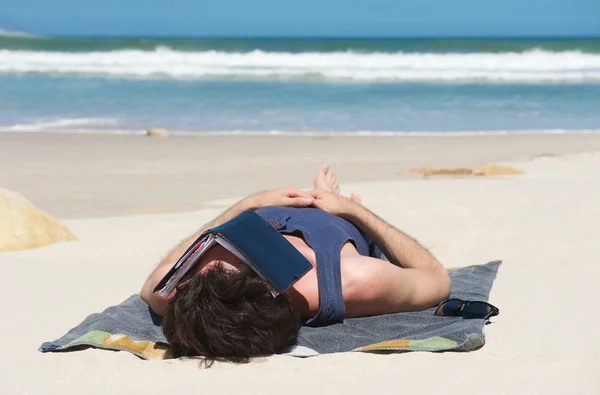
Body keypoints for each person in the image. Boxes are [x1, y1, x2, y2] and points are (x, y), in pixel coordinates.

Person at [141, 165, 450, 363]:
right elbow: (436, 279)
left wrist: (249, 204)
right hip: (336, 224)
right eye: (233, 250)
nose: (206, 250)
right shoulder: (350, 279)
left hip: (274, 208)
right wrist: (356, 213)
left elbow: (151, 287)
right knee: (338, 214)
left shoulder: (181, 295)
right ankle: (333, 203)